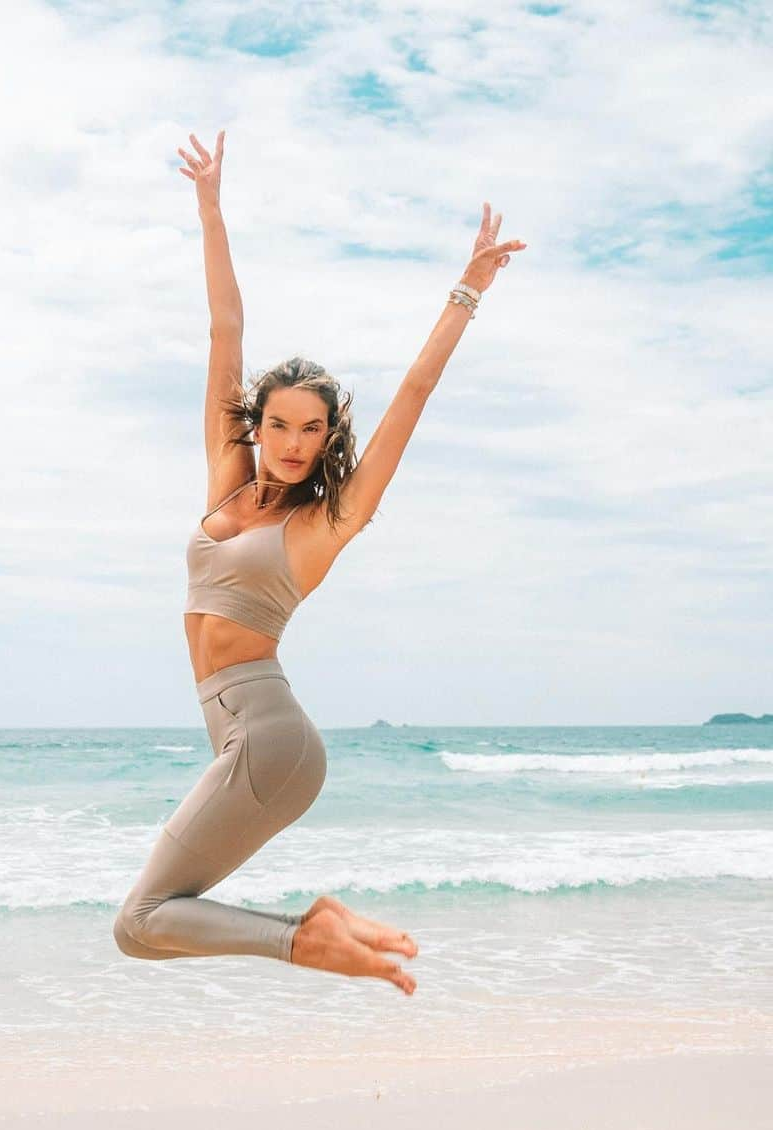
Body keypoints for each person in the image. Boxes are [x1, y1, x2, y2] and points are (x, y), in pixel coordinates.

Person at [113, 130, 526, 994]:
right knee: (149, 924)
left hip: (272, 737)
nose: (295, 443)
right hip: (232, 730)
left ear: (330, 435)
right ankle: (317, 928)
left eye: (314, 428)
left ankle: (310, 937)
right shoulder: (229, 487)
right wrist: (210, 206)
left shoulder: (325, 522)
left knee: (141, 922)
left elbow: (412, 392)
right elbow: (225, 329)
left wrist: (467, 290)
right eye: (279, 425)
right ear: (255, 427)